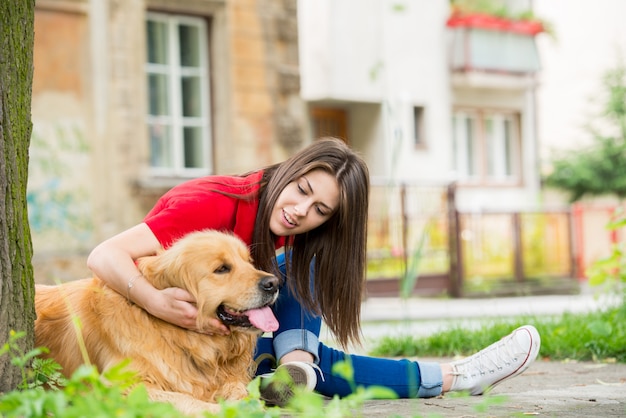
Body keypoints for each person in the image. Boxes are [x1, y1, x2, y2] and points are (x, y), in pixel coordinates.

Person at [87, 137, 541, 406]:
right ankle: (449, 377)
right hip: (169, 334)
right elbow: (104, 255)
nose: (299, 211)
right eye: (301, 190)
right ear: (291, 170)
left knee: (307, 263)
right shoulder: (212, 204)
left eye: (319, 209)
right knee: (316, 356)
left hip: (228, 336)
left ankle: (293, 363)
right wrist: (156, 301)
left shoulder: (303, 234)